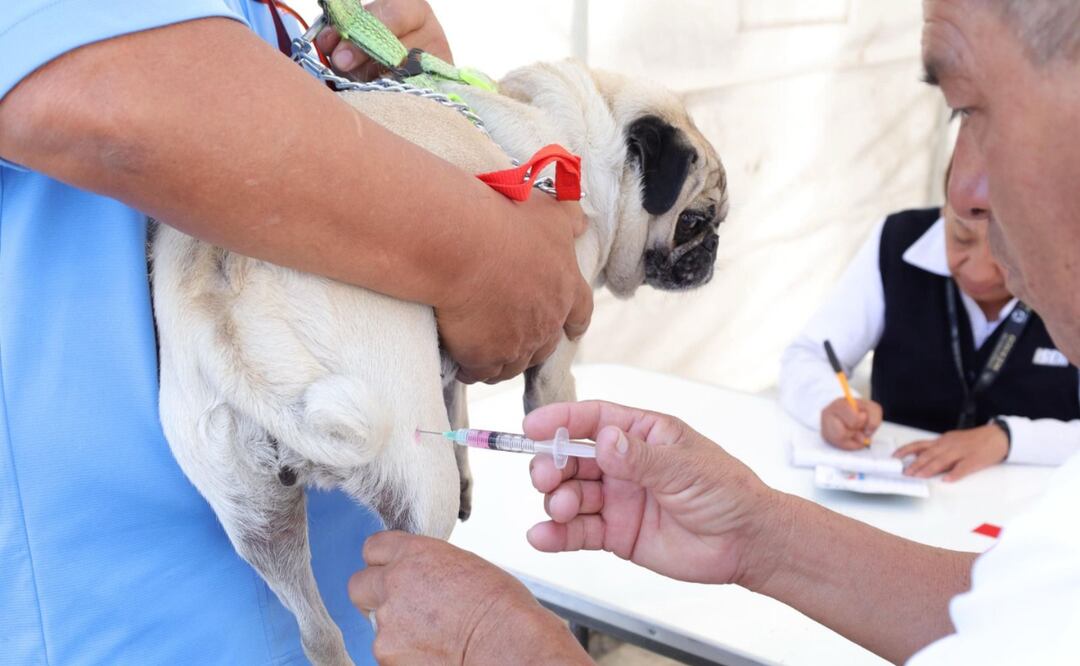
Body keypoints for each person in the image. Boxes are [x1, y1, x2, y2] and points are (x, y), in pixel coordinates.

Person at [346, 1, 1080, 663]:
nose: (968, 187)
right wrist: (760, 534)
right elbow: (1016, 611)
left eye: (968, 111)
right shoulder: (899, 247)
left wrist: (505, 647)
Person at [0, 0, 591, 662]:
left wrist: (401, 88)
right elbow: (108, 95)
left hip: (329, 610)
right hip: (150, 629)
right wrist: (485, 258)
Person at [779, 162, 1080, 481]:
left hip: (1029, 505)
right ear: (944, 211)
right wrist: (831, 403)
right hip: (899, 490)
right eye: (961, 238)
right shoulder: (898, 241)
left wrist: (1008, 438)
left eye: (1006, 252)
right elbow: (806, 356)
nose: (979, 271)